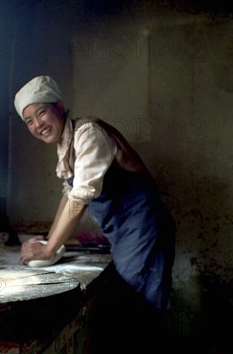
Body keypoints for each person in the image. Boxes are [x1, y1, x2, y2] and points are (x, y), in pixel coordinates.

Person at [14, 75, 175, 321]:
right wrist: (49, 240)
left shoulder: (88, 133)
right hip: (123, 233)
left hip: (143, 228)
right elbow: (69, 195)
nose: (37, 124)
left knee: (142, 311)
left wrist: (49, 250)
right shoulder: (65, 147)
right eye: (29, 121)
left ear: (58, 106)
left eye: (42, 112)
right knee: (132, 307)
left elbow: (80, 198)